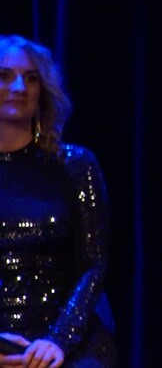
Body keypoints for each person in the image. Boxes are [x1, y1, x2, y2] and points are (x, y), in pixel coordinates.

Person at [0, 34, 118, 368]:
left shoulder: (75, 165)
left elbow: (94, 264)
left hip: (68, 336)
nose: (19, 87)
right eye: (4, 76)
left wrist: (59, 340)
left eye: (31, 78)